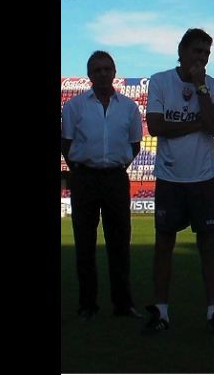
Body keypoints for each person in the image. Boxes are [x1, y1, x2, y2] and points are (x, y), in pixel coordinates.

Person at [143, 28, 214, 334]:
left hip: (204, 177)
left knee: (208, 245)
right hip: (170, 176)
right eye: (196, 51)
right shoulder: (160, 81)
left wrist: (201, 87)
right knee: (164, 244)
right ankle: (161, 312)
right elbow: (155, 126)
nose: (201, 58)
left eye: (206, 53)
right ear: (181, 52)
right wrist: (197, 122)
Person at [61, 51, 143, 321]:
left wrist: (114, 165)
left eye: (107, 69)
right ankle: (88, 305)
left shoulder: (129, 107)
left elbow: (134, 145)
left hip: (116, 179)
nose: (103, 73)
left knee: (120, 244)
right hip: (84, 178)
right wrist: (81, 170)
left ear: (115, 72)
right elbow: (66, 144)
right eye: (97, 70)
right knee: (84, 244)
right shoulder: (73, 107)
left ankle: (123, 305)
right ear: (89, 75)